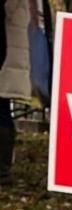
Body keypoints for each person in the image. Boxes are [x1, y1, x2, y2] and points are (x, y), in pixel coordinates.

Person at [0, 0, 32, 185]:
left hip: (5, 54)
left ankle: (3, 172)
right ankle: (3, 171)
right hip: (8, 54)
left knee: (2, 112)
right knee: (3, 111)